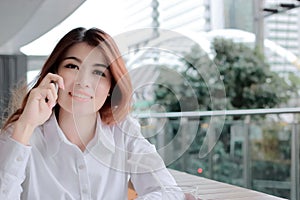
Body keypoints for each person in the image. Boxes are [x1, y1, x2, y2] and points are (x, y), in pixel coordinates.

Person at [0, 27, 184, 199]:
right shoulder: (21, 133)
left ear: (111, 87)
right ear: (54, 74)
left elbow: (168, 191)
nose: (83, 81)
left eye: (98, 72)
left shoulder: (123, 131)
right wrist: (26, 125)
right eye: (72, 66)